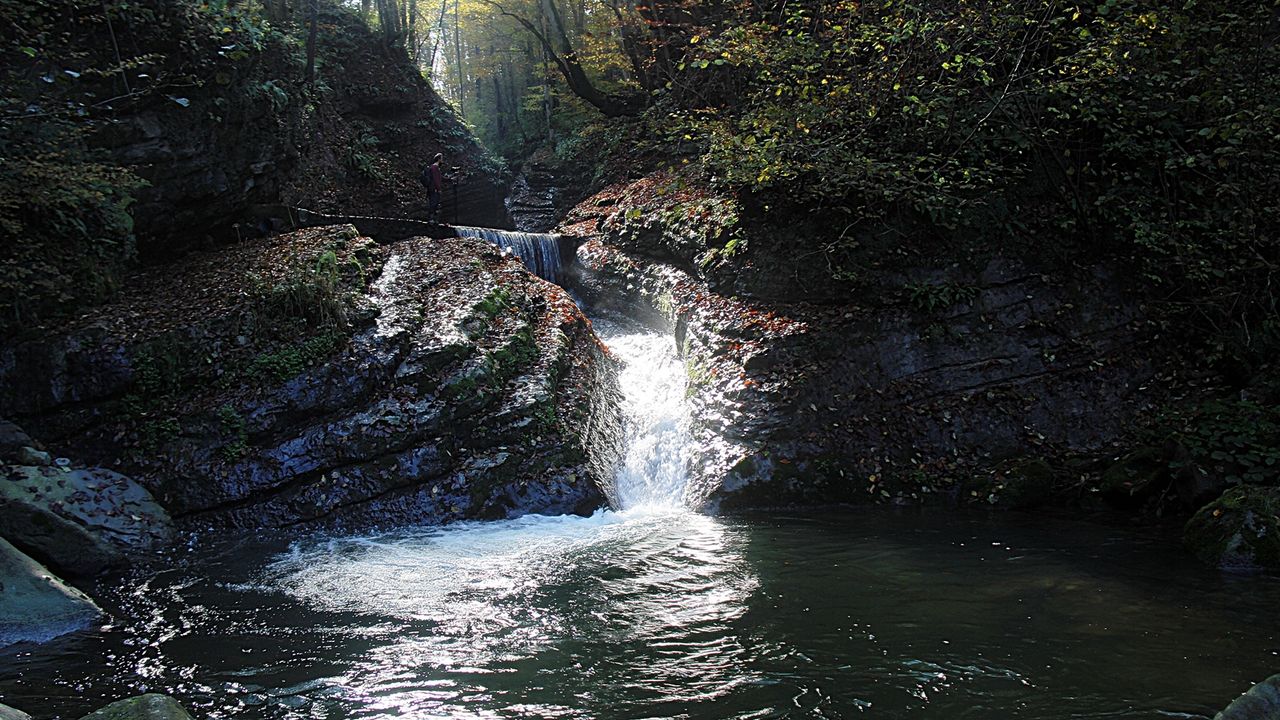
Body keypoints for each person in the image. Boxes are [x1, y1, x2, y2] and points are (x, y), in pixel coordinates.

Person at [424, 153, 445, 223]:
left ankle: (433, 219)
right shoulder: (434, 167)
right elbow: (436, 179)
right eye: (441, 158)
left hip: (432, 188)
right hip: (434, 189)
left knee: (434, 203)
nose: (442, 160)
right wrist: (438, 189)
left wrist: (449, 179)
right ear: (438, 159)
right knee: (433, 203)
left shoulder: (434, 167)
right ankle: (431, 219)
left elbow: (440, 178)